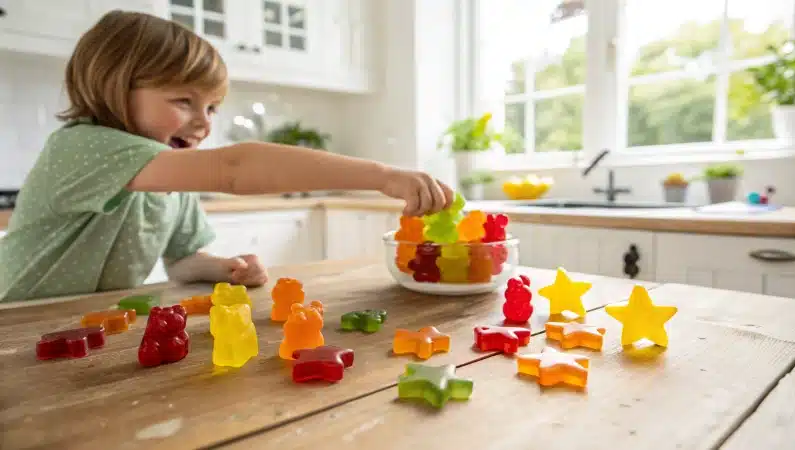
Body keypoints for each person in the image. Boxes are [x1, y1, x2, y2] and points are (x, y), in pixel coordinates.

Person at [0, 10, 454, 303]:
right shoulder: (85, 145)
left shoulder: (168, 177)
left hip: (80, 323)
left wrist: (221, 269)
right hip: (17, 322)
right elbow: (233, 168)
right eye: (184, 101)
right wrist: (380, 174)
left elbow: (181, 259)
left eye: (212, 107)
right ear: (113, 86)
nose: (203, 123)